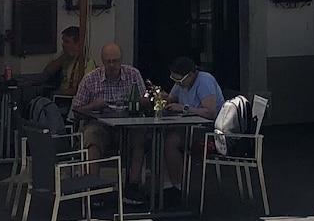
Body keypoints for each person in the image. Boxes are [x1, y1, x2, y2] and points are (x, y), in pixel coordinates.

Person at [71, 42, 148, 192]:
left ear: (121, 60)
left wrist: (139, 101)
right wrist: (94, 105)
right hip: (100, 125)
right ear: (102, 62)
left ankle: (133, 185)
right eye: (108, 62)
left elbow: (145, 100)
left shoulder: (133, 74)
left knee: (140, 135)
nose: (112, 65)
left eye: (116, 61)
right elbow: (75, 110)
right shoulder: (90, 79)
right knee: (91, 136)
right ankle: (93, 186)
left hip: (128, 124)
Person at [161, 55, 223, 197]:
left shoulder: (204, 82)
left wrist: (184, 108)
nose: (178, 84)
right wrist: (163, 98)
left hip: (207, 129)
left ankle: (178, 187)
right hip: (187, 126)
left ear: (191, 75)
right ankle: (164, 184)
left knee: (170, 142)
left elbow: (210, 112)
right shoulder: (181, 83)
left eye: (180, 81)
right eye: (174, 80)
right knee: (156, 138)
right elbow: (172, 98)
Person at [39, 25, 91, 97]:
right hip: (59, 94)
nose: (63, 44)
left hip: (71, 100)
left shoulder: (87, 63)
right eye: (63, 41)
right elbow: (47, 72)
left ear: (78, 44)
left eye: (67, 42)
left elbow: (80, 90)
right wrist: (64, 56)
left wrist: (55, 93)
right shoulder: (64, 57)